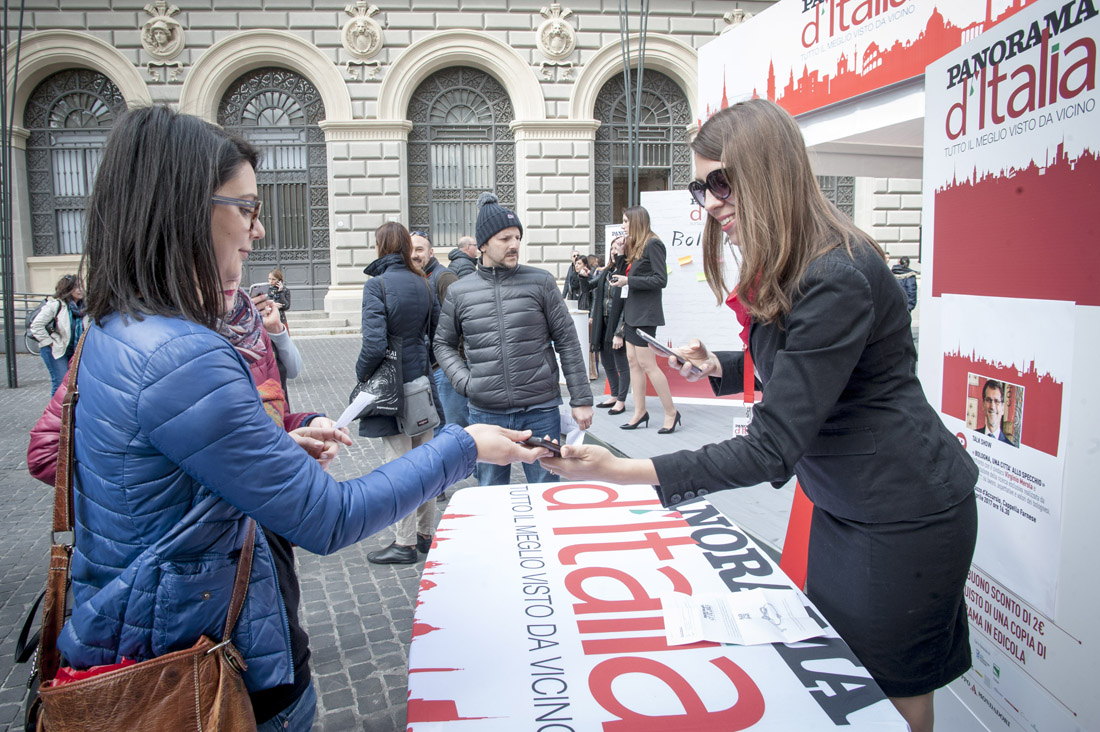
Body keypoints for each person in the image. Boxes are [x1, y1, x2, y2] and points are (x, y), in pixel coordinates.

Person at [33, 105, 544, 731]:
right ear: (186, 208)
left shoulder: (119, 327)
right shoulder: (180, 353)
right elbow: (329, 518)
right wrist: (462, 445)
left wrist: (272, 442)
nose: (260, 228)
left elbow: (169, 472)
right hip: (202, 667)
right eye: (245, 207)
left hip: (161, 636)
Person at [544, 99, 979, 732]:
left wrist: (620, 470)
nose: (710, 201)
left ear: (769, 173)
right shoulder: (804, 262)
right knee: (849, 680)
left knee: (888, 697)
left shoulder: (837, 272)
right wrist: (718, 364)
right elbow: (813, 367)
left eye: (721, 182)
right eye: (701, 185)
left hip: (901, 513)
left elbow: (772, 446)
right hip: (852, 504)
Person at [435, 192, 594, 486]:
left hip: (540, 409)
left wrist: (581, 398)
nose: (514, 245)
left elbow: (568, 341)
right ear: (482, 244)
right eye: (505, 238)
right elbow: (442, 343)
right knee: (491, 495)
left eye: (517, 237)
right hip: (486, 413)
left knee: (547, 492)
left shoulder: (541, 282)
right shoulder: (460, 292)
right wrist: (465, 382)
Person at [359, 223, 446, 565]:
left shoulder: (377, 285)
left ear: (381, 246)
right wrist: (425, 365)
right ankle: (425, 535)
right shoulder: (423, 281)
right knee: (424, 463)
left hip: (394, 387)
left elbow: (374, 344)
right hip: (422, 383)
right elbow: (440, 335)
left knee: (399, 467)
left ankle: (405, 542)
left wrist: (364, 377)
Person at [611, 206, 679, 433]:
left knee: (648, 365)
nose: (622, 226)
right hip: (632, 313)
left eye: (625, 221)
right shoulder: (637, 246)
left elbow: (660, 280)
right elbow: (622, 276)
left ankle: (671, 412)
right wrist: (620, 255)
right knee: (633, 362)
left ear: (636, 222)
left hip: (645, 314)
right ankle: (639, 411)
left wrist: (630, 281)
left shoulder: (653, 244)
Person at [410, 229, 468, 428]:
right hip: (429, 368)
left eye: (419, 249)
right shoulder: (417, 277)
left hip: (446, 369)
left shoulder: (444, 277)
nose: (414, 254)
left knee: (452, 428)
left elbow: (463, 321)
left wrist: (456, 364)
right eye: (410, 249)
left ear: (431, 252)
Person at [590, 236, 629, 414]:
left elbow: (627, 306)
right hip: (603, 321)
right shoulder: (605, 273)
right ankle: (613, 395)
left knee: (621, 363)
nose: (614, 251)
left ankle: (621, 400)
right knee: (606, 362)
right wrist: (581, 276)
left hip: (617, 322)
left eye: (618, 248)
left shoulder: (626, 273)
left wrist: (620, 332)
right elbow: (591, 291)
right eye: (612, 248)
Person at [29, 274, 85, 394]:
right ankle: (56, 412)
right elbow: (36, 325)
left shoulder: (84, 307)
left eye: (82, 286)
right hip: (56, 350)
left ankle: (68, 411)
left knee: (74, 384)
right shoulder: (56, 305)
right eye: (76, 287)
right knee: (60, 384)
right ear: (67, 289)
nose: (80, 290)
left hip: (74, 350)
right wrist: (49, 342)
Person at [980, 379, 1017, 446]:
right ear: (983, 405)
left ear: (1002, 409)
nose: (992, 406)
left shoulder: (1010, 447)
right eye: (989, 400)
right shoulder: (972, 434)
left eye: (996, 401)